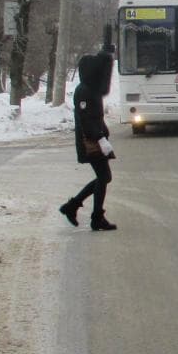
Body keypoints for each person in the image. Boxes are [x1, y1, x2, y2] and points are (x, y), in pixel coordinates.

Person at [59, 48, 118, 231]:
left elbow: (96, 116)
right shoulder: (84, 91)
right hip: (90, 141)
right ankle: (93, 216)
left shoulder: (90, 89)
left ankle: (75, 207)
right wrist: (100, 138)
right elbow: (87, 119)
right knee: (104, 177)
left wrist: (106, 55)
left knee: (104, 177)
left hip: (96, 138)